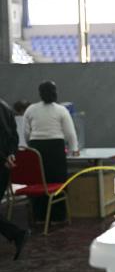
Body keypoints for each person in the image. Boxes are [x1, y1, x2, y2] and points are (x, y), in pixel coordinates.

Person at [23, 81, 79, 220]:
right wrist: (74, 149)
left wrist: (30, 145)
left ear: (40, 93)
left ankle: (39, 216)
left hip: (36, 148)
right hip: (55, 148)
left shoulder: (31, 109)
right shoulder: (61, 110)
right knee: (57, 183)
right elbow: (70, 133)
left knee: (38, 182)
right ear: (55, 93)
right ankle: (57, 217)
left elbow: (25, 132)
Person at [0, 98, 29, 260]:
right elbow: (14, 137)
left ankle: (18, 234)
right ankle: (17, 234)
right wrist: (11, 154)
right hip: (5, 165)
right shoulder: (6, 107)